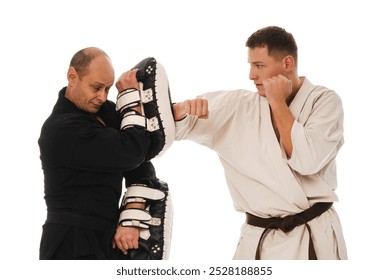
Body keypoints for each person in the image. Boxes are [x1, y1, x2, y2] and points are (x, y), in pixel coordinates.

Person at [172, 26, 347, 260]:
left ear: (287, 64)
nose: (251, 75)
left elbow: (307, 161)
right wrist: (181, 110)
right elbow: (175, 125)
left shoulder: (324, 102)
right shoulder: (238, 106)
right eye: (250, 65)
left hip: (313, 234)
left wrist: (278, 103)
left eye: (259, 66)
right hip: (258, 239)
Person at [38, 48, 173, 260]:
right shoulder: (61, 129)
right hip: (69, 243)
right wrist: (133, 101)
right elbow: (131, 152)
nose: (102, 97)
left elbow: (144, 154)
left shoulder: (105, 111)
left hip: (108, 236)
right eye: (96, 87)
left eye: (108, 89)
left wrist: (132, 213)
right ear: (72, 76)